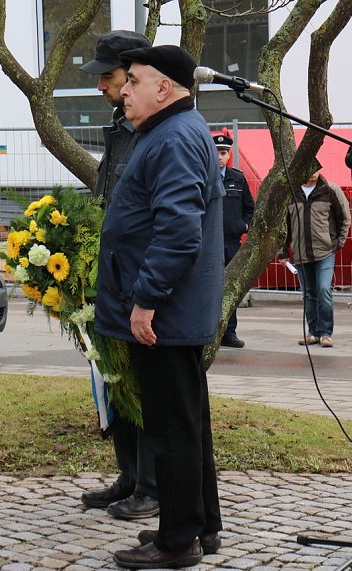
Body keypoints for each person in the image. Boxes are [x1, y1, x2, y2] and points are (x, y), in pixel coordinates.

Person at [95, 44, 224, 569]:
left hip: (166, 312)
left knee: (172, 427)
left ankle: (177, 541)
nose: (124, 90)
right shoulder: (175, 129)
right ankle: (200, 525)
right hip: (177, 309)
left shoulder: (173, 137)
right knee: (188, 424)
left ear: (163, 88)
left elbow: (177, 229)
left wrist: (146, 300)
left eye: (134, 82)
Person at [78, 30, 160, 521]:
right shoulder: (120, 126)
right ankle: (130, 477)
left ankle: (151, 486)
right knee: (115, 381)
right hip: (113, 276)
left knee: (142, 387)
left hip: (139, 281)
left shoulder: (152, 131)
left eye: (109, 77)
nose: (104, 88)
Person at [278, 168, 351, 348]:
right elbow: (283, 226)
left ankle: (326, 332)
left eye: (316, 168)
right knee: (308, 294)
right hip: (301, 254)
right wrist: (283, 252)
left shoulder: (329, 190)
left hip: (325, 252)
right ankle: (312, 332)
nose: (312, 172)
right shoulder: (291, 192)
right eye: (308, 167)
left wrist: (338, 243)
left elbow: (344, 217)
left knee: (324, 289)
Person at [213, 130, 254, 348]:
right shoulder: (201, 177)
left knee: (230, 288)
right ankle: (211, 332)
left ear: (229, 155)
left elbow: (249, 207)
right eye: (215, 152)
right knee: (210, 288)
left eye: (223, 153)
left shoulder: (237, 178)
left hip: (231, 244)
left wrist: (244, 225)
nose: (219, 157)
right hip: (208, 245)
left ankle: (229, 332)